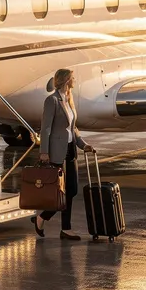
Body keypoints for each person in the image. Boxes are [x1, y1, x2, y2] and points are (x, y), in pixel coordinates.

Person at [33, 68, 94, 240]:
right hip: (56, 152)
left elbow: (72, 128)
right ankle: (62, 227)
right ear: (66, 80)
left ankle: (44, 218)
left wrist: (83, 145)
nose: (75, 80)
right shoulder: (52, 100)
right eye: (73, 77)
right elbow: (46, 128)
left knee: (72, 190)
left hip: (71, 149)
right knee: (59, 191)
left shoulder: (69, 99)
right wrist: (44, 152)